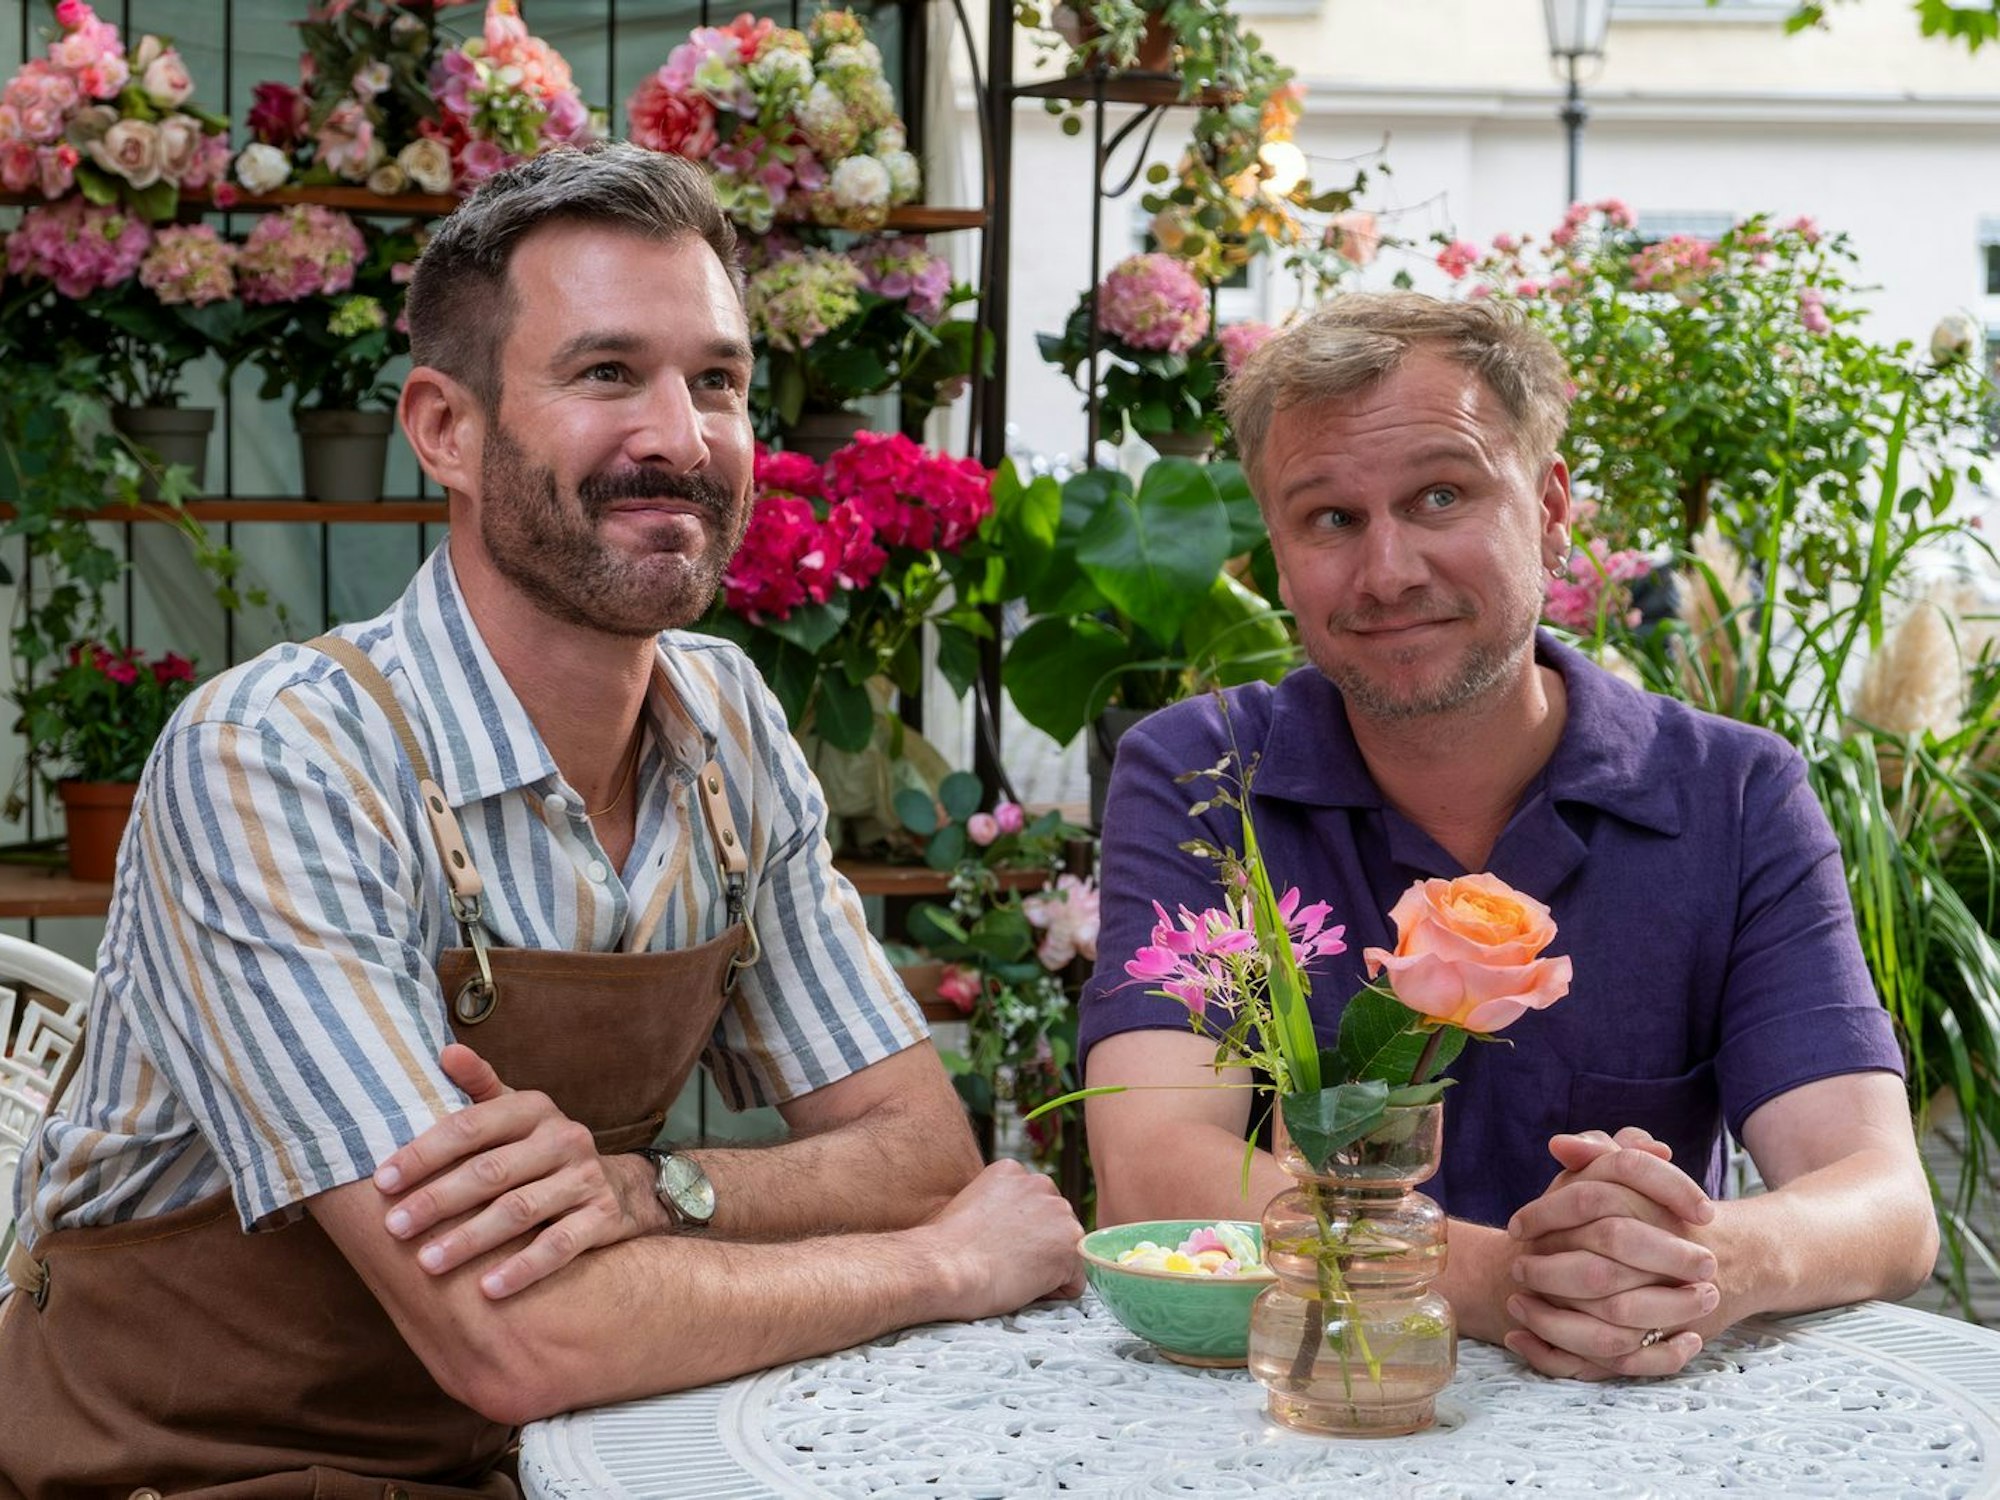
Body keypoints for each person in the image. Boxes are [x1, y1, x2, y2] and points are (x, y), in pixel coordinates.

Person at [0, 143, 1082, 1496]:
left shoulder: (728, 724)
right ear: (446, 430)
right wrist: (944, 1268)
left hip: (555, 1456)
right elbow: (518, 1335)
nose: (680, 441)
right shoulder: (280, 756)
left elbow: (920, 1149)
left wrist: (652, 1193)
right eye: (606, 373)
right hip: (189, 1462)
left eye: (720, 383)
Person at [1080, 291, 1937, 1382]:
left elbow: (1880, 1197)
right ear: (1276, 555)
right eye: (1330, 519)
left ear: (1548, 507)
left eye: (1439, 496)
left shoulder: (1731, 792)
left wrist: (1706, 1259)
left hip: (1632, 1429)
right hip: (1299, 1407)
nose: (1387, 571)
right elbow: (1150, 1171)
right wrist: (1505, 1281)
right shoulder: (1206, 776)